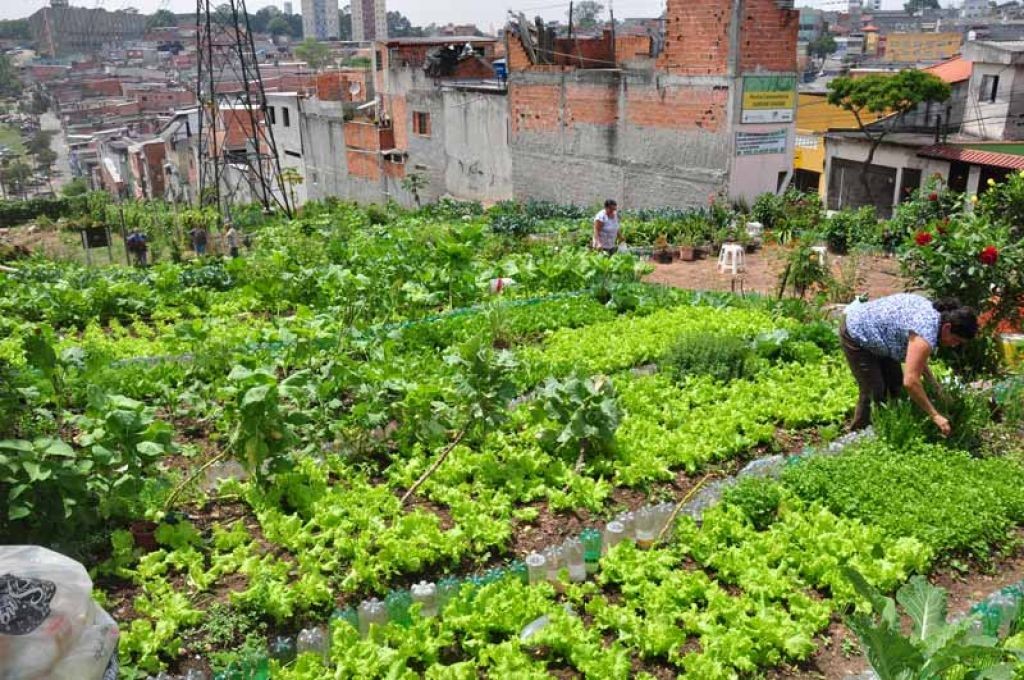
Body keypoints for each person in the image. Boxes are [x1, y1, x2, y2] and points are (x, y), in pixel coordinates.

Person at [840, 294, 979, 434]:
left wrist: (936, 387)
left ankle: (886, 427)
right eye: (956, 340)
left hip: (882, 336)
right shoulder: (926, 330)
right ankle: (858, 434)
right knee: (874, 390)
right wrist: (935, 415)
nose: (954, 345)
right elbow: (911, 382)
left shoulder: (936, 317)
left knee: (894, 384)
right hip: (858, 331)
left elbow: (917, 359)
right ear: (947, 328)